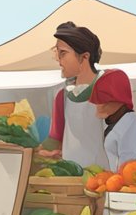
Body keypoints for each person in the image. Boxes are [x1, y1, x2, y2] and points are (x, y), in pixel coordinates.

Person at [41, 22, 109, 167]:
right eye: (57, 53)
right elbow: (55, 140)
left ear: (84, 57)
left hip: (106, 179)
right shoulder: (62, 96)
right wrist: (38, 150)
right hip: (71, 179)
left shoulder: (108, 89)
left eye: (63, 54)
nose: (59, 61)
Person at [88, 68, 136, 170]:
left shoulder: (129, 122)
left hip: (121, 182)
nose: (98, 105)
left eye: (103, 99)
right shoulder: (114, 121)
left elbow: (128, 164)